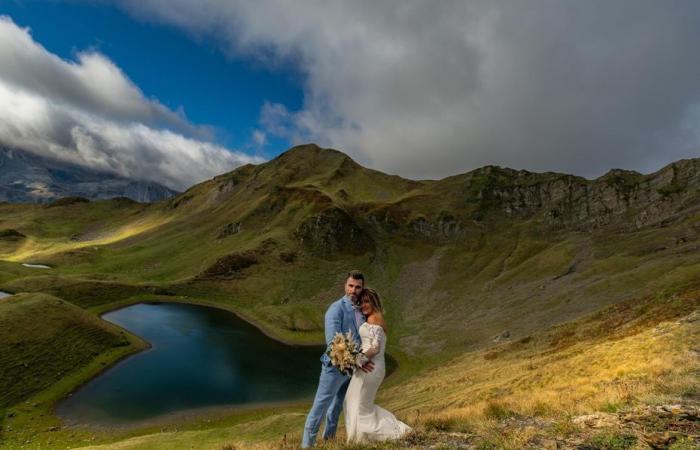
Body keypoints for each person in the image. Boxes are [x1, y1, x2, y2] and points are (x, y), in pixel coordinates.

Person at [301, 270, 375, 448]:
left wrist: (361, 361)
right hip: (334, 370)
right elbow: (334, 344)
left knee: (337, 409)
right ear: (345, 285)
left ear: (362, 288)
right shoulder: (335, 309)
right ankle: (307, 445)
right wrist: (359, 360)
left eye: (358, 287)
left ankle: (329, 443)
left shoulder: (363, 309)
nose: (353, 290)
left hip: (352, 371)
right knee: (320, 409)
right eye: (350, 286)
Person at [344, 288, 412, 443]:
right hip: (365, 365)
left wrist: (356, 360)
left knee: (361, 405)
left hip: (371, 367)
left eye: (367, 301)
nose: (363, 305)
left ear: (374, 302)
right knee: (351, 400)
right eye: (361, 303)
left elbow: (374, 349)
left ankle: (390, 433)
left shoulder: (375, 319)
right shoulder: (370, 318)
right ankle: (358, 438)